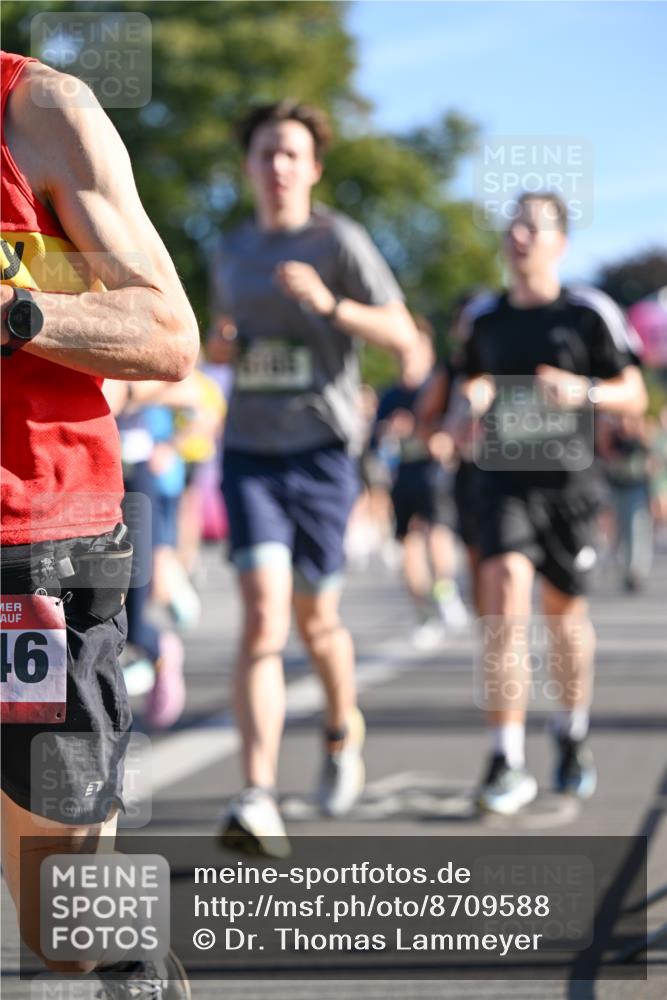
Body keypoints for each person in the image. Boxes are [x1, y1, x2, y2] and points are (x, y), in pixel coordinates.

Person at [0, 51, 198, 996]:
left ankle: (134, 964)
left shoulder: (39, 111)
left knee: (68, 929)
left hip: (31, 550)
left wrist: (13, 310)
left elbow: (166, 333)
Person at [209, 100, 418, 855]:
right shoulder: (228, 249)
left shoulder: (340, 240)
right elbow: (220, 346)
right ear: (249, 165)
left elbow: (403, 337)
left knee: (316, 621)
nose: (278, 166)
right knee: (264, 616)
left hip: (323, 453)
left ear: (313, 167)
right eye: (265, 152)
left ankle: (340, 728)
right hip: (250, 453)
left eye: (292, 153)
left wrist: (331, 305)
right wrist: (225, 346)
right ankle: (256, 793)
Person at [452, 192, 647, 815]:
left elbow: (635, 395)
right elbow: (463, 385)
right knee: (504, 599)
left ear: (560, 242)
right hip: (502, 483)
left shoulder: (589, 312)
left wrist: (583, 390)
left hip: (570, 489)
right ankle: (504, 756)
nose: (520, 235)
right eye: (513, 224)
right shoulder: (484, 318)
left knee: (564, 620)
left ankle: (571, 731)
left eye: (535, 226)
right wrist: (470, 401)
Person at [374, 318, 468, 649]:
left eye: (415, 349)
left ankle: (445, 591)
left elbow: (455, 429)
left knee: (437, 535)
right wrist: (389, 433)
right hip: (404, 477)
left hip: (435, 474)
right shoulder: (390, 396)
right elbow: (376, 442)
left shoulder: (440, 388)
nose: (408, 358)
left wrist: (439, 439)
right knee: (407, 547)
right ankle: (423, 614)